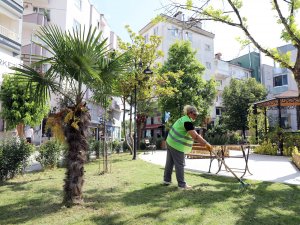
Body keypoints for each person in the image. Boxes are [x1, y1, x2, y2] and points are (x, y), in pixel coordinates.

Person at [163, 105, 213, 190]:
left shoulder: (183, 119)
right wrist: (206, 144)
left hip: (170, 141)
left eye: (196, 115)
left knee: (170, 162)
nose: (196, 116)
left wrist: (204, 143)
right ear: (189, 113)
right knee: (180, 164)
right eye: (194, 114)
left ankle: (166, 180)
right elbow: (195, 136)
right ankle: (182, 185)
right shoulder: (187, 122)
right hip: (176, 144)